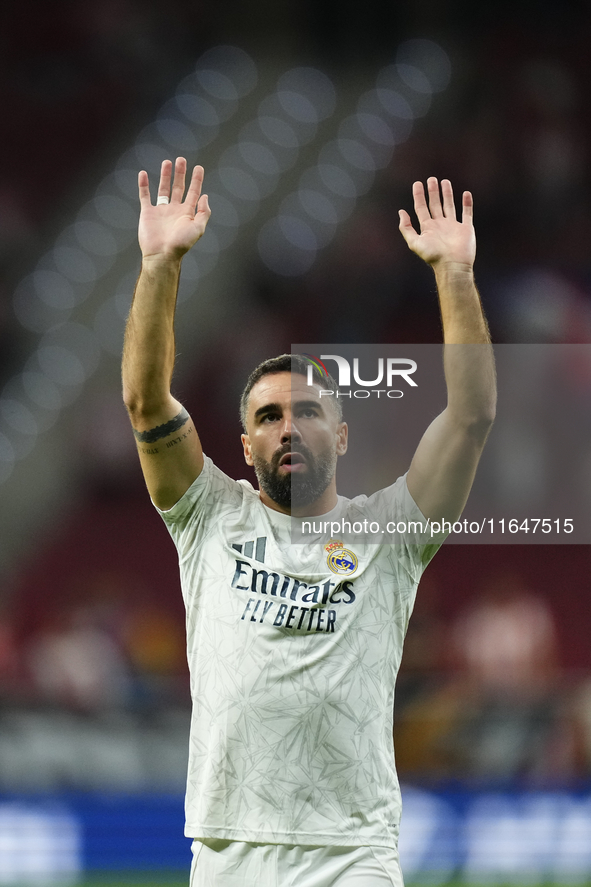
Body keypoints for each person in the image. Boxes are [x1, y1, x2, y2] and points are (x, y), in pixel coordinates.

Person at [121, 157, 496, 886]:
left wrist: (453, 274)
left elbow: (472, 416)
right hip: (230, 851)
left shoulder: (391, 530)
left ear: (343, 434)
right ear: (244, 444)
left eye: (308, 412)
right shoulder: (207, 515)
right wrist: (159, 263)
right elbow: (146, 402)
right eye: (268, 416)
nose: (288, 427)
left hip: (349, 855)